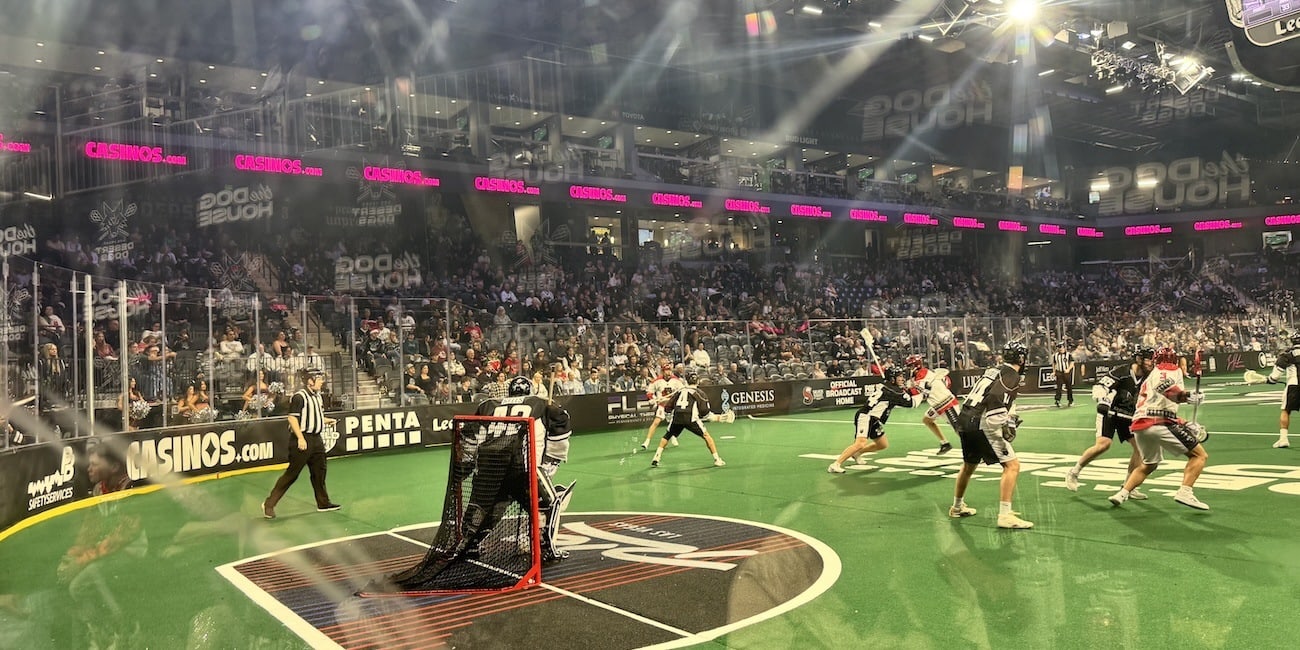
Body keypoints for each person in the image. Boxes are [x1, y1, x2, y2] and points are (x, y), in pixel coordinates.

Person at [1108, 346, 1209, 510]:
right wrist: (1187, 396)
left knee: (1149, 464)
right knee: (1199, 456)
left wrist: (1184, 422)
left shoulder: (1151, 375)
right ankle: (1185, 492)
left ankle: (1122, 493)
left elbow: (1162, 404)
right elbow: (1166, 390)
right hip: (1158, 422)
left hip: (1140, 425)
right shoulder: (1168, 370)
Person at [950, 341, 1033, 529]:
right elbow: (995, 399)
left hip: (965, 418)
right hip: (982, 422)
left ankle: (957, 506)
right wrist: (1004, 423)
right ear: (1021, 358)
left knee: (969, 465)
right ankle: (1005, 516)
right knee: (1012, 465)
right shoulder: (1011, 375)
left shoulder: (993, 370)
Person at [1065, 345, 1155, 498]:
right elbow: (1101, 386)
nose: (1151, 363)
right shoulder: (1122, 372)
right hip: (1110, 413)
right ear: (1139, 359)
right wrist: (1102, 401)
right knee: (1103, 445)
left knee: (1139, 448)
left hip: (1128, 416)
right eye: (1149, 360)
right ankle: (1074, 472)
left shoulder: (1150, 377)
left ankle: (1128, 486)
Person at [262, 368, 339, 519]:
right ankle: (269, 504)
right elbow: (292, 418)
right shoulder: (300, 397)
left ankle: (323, 503)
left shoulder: (317, 396)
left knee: (319, 472)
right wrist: (301, 438)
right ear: (310, 381)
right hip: (302, 439)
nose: (322, 381)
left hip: (316, 439)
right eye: (319, 378)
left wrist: (326, 420)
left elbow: (315, 416)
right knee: (292, 474)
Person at [827, 366, 922, 473]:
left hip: (873, 419)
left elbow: (900, 393)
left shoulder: (886, 386)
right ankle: (836, 464)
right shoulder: (894, 392)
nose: (902, 379)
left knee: (882, 444)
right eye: (899, 376)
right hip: (865, 417)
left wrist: (910, 389)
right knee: (860, 443)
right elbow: (912, 403)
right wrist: (923, 392)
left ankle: (857, 453)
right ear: (892, 379)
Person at [649, 372, 725, 468]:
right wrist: (714, 417)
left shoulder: (680, 391)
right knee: (706, 436)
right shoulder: (699, 393)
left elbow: (669, 405)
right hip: (691, 418)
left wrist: (669, 415)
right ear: (697, 381)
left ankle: (657, 456)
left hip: (677, 417)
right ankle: (717, 459)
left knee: (667, 436)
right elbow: (704, 411)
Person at [904, 354, 956, 455]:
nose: (908, 368)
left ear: (916, 365)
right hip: (937, 405)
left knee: (960, 430)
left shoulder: (923, 374)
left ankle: (977, 452)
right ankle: (945, 443)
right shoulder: (919, 375)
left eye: (910, 366)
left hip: (946, 404)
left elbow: (915, 392)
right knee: (927, 420)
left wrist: (908, 387)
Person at [1265, 332, 1300, 449]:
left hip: (1293, 386)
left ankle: (1283, 439)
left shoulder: (1287, 355)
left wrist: (1269, 380)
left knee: (1286, 411)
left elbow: (1274, 377)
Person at [639, 366, 683, 450]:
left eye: (669, 370)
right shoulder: (657, 381)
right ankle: (647, 441)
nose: (668, 372)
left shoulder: (676, 380)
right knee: (656, 422)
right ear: (663, 371)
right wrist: (653, 399)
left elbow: (681, 391)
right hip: (662, 405)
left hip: (673, 406)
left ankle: (673, 437)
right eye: (666, 370)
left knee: (675, 423)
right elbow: (649, 393)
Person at [1051, 340, 1075, 407]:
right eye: (1059, 347)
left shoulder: (1068, 355)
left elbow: (1072, 363)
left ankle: (1070, 400)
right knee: (1059, 387)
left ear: (1064, 347)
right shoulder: (1055, 355)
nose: (1060, 349)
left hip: (1066, 372)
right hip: (1059, 372)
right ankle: (1057, 400)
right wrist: (1054, 371)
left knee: (1069, 387)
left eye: (1061, 347)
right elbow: (1054, 363)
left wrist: (1068, 369)